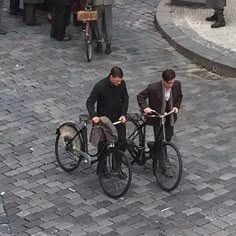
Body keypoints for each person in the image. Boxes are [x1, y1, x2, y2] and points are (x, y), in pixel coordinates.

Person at [86, 66, 129, 178]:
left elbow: (125, 99)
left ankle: (117, 166)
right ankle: (102, 167)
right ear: (111, 77)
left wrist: (123, 114)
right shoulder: (100, 86)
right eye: (117, 80)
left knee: (122, 142)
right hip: (104, 120)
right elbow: (90, 102)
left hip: (117, 119)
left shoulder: (122, 84)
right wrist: (94, 116)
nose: (119, 83)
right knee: (104, 145)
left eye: (120, 80)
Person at [137, 69, 183, 168]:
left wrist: (176, 106)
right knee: (161, 140)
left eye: (172, 82)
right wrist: (146, 107)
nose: (171, 85)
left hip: (169, 116)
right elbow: (140, 96)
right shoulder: (153, 88)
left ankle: (154, 146)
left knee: (168, 137)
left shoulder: (177, 85)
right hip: (157, 117)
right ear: (163, 80)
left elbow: (179, 96)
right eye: (169, 83)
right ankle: (163, 164)